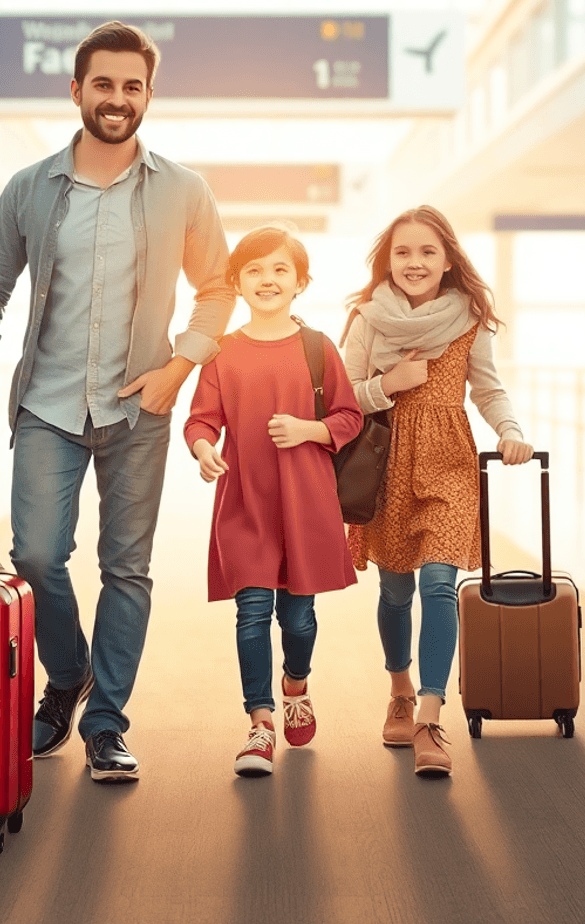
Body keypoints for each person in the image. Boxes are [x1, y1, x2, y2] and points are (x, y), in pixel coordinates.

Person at [0, 21, 234, 783]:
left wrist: (182, 367)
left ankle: (105, 725)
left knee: (126, 569)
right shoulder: (29, 189)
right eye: (103, 84)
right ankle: (67, 673)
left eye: (132, 86)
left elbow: (217, 288)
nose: (117, 98)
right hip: (49, 403)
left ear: (148, 96)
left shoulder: (184, 190)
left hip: (141, 406)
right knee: (36, 552)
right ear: (76, 90)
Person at [340, 206, 533, 777]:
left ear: (448, 260)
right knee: (397, 592)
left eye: (427, 252)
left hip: (449, 460)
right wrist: (389, 384)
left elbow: (488, 390)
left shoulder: (469, 319)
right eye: (403, 252)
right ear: (388, 260)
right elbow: (346, 397)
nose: (414, 262)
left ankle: (428, 714)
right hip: (386, 462)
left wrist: (511, 430)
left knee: (439, 583)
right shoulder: (368, 317)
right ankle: (399, 688)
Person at [185, 226, 362, 777]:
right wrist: (202, 448)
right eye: (256, 270)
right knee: (252, 611)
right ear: (237, 283)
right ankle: (260, 724)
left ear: (300, 282)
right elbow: (200, 418)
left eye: (280, 269)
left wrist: (309, 430)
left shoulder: (317, 348)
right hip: (247, 506)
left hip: (305, 505)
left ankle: (296, 684)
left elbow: (349, 416)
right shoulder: (223, 354)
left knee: (300, 617)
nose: (268, 279)